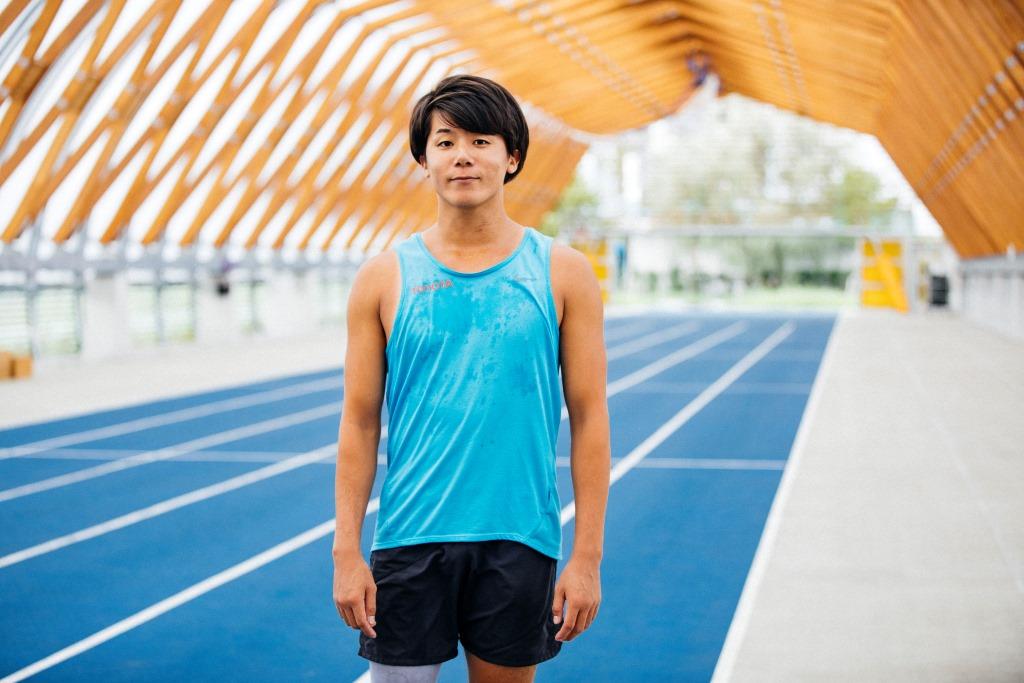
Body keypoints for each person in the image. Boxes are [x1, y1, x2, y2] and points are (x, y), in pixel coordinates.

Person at [332, 74, 610, 683]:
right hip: (409, 537)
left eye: (481, 140)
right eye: (446, 140)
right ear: (423, 159)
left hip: (519, 538)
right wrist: (345, 551)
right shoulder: (382, 278)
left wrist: (586, 555)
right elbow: (358, 420)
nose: (463, 154)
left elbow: (589, 416)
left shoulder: (562, 273)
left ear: (511, 158)